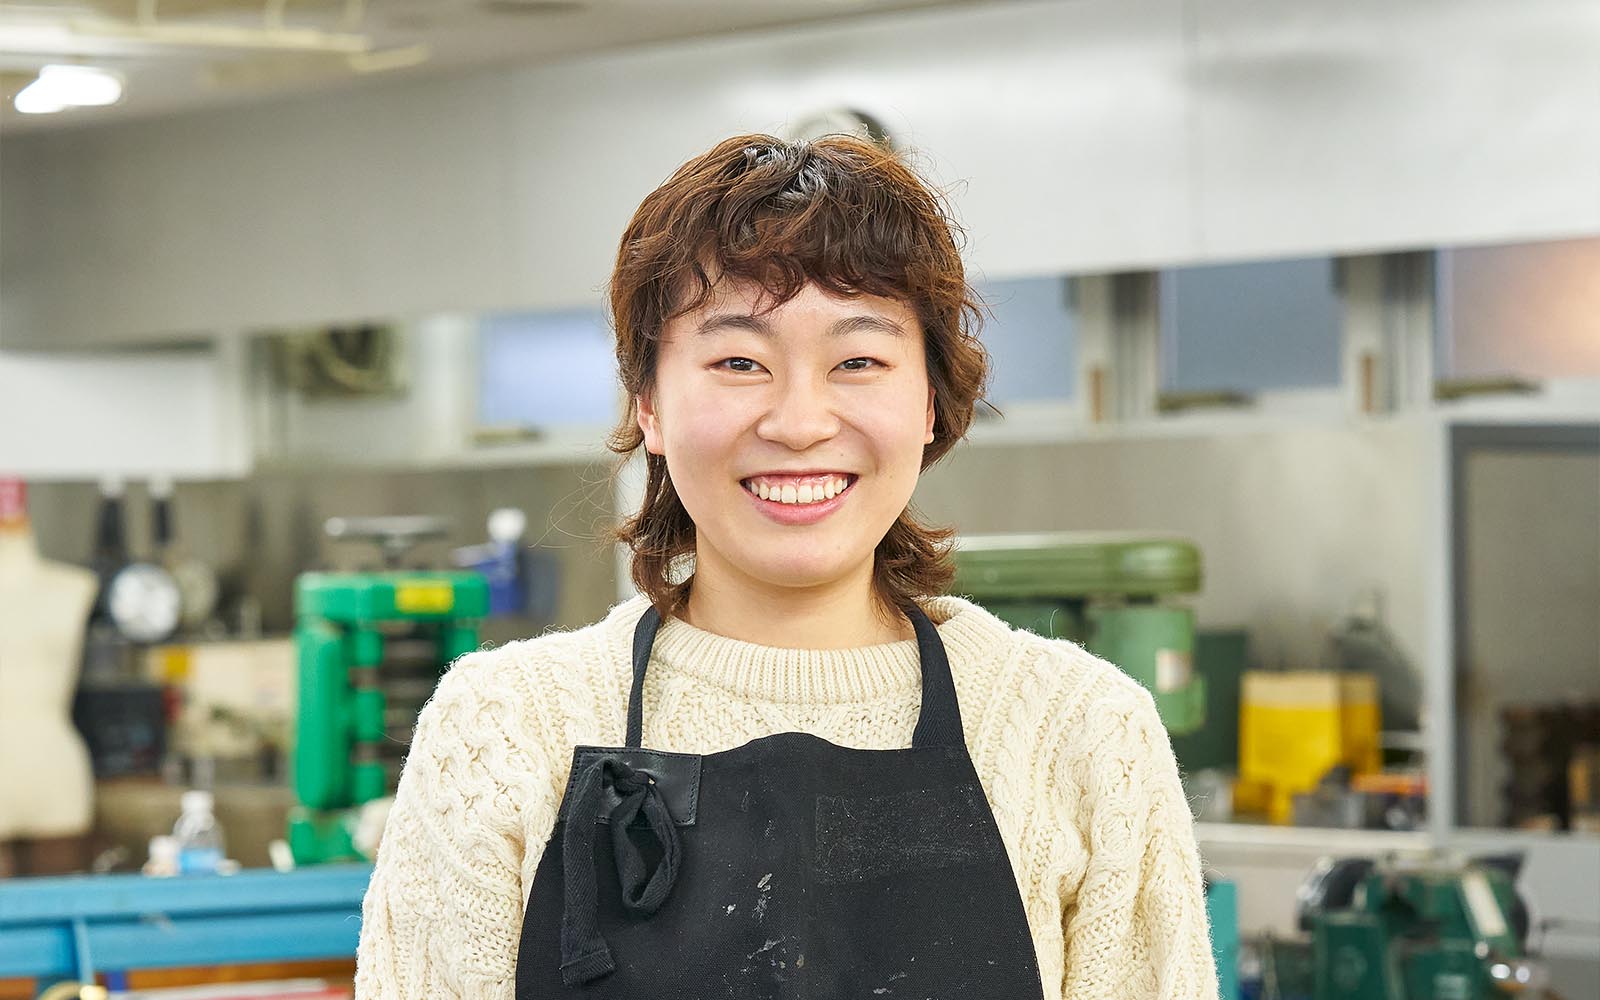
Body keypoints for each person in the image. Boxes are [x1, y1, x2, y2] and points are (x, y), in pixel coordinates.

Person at [355, 134, 1217, 999]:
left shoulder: (1082, 734)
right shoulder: (502, 732)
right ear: (649, 405)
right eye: (739, 362)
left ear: (929, 401)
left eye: (858, 361)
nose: (801, 423)